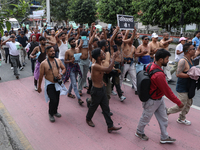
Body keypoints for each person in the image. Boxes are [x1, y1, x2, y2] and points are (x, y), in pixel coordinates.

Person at [135, 49, 184, 144]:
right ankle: (139, 132)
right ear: (161, 60)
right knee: (146, 117)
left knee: (164, 118)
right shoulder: (159, 75)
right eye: (167, 59)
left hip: (158, 98)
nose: (168, 61)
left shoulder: (150, 65)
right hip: (152, 100)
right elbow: (167, 91)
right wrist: (178, 103)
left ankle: (164, 137)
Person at [86, 48, 122, 133]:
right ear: (98, 57)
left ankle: (110, 126)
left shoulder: (100, 63)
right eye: (102, 54)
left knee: (106, 108)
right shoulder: (95, 66)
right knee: (93, 106)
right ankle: (88, 119)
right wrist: (113, 58)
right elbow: (109, 70)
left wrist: (101, 81)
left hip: (102, 89)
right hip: (96, 90)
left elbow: (97, 75)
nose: (104, 54)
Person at [167, 43, 197, 125]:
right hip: (182, 87)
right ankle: (166, 112)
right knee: (181, 105)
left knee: (188, 103)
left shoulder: (191, 58)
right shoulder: (183, 61)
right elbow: (178, 74)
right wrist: (191, 75)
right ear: (188, 51)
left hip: (189, 87)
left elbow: (199, 51)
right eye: (193, 49)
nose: (195, 50)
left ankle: (182, 118)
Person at [37, 46, 66, 122]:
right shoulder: (43, 63)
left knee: (57, 99)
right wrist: (39, 86)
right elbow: (40, 76)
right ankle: (50, 113)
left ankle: (55, 111)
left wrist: (61, 74)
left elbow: (64, 69)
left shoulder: (58, 60)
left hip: (57, 83)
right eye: (51, 51)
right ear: (47, 53)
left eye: (53, 51)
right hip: (49, 83)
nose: (53, 52)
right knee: (53, 100)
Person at [64, 37, 84, 105]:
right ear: (69, 43)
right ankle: (79, 98)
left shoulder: (77, 49)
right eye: (72, 42)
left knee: (73, 81)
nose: (73, 43)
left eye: (74, 41)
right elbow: (65, 61)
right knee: (74, 84)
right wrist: (70, 61)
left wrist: (80, 57)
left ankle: (69, 93)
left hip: (76, 67)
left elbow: (79, 57)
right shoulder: (68, 51)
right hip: (71, 68)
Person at [121, 29, 138, 95]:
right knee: (121, 77)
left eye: (133, 40)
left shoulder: (133, 47)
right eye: (131, 39)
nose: (132, 40)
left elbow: (135, 55)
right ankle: (119, 89)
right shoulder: (125, 44)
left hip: (131, 64)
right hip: (125, 64)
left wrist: (134, 32)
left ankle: (137, 90)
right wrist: (128, 30)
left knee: (134, 77)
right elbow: (125, 37)